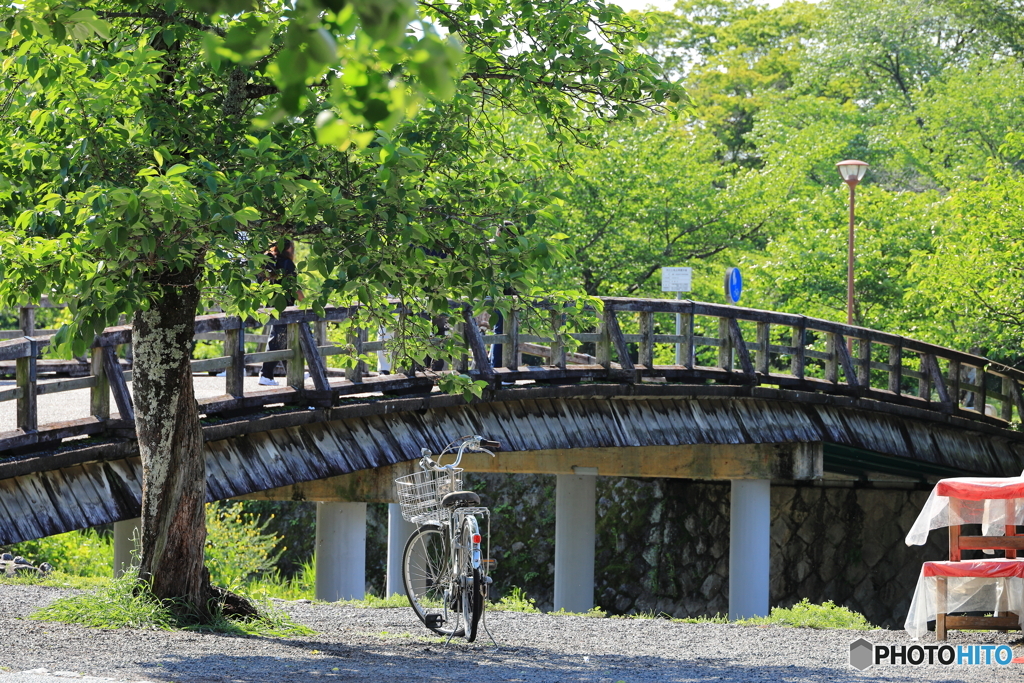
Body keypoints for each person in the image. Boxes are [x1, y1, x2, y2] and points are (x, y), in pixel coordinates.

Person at [259, 239, 304, 386]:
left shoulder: (271, 262)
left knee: (283, 340)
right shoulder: (287, 264)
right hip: (285, 307)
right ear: (289, 249)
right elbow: (295, 288)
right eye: (293, 247)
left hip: (271, 304)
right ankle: (266, 375)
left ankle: (293, 372)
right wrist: (306, 304)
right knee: (277, 340)